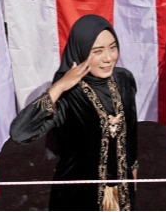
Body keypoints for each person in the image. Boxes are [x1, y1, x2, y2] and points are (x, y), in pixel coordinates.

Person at [10, 15, 139, 210]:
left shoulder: (123, 79)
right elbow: (20, 133)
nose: (108, 58)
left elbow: (131, 132)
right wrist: (60, 86)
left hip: (122, 194)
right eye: (97, 51)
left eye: (113, 47)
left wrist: (133, 172)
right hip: (77, 197)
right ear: (80, 51)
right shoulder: (70, 94)